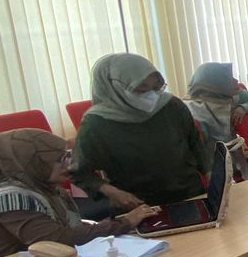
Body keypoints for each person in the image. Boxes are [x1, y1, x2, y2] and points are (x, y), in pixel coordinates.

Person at [0, 130, 157, 257]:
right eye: (60, 161)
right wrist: (125, 222)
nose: (70, 165)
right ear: (32, 164)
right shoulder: (10, 198)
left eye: (67, 157)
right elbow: (60, 239)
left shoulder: (41, 185)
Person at [71, 53, 208, 209]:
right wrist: (112, 192)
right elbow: (79, 171)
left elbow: (196, 144)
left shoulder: (171, 105)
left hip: (190, 194)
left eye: (156, 88)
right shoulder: (96, 123)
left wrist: (210, 173)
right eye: (141, 89)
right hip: (137, 206)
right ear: (117, 88)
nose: (151, 96)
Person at [181, 61, 248, 146]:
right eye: (229, 78)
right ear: (215, 83)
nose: (236, 80)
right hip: (207, 150)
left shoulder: (233, 95)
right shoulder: (189, 106)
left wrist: (243, 107)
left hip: (231, 148)